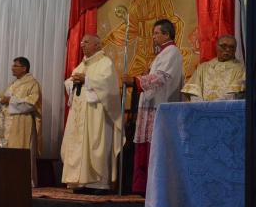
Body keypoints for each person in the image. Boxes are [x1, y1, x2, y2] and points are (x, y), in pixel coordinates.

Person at [123, 19, 183, 195]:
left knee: (155, 148)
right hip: (150, 106)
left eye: (156, 33)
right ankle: (142, 187)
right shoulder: (162, 54)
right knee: (144, 147)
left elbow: (163, 77)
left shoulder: (172, 52)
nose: (153, 36)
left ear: (167, 34)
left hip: (159, 107)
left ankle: (154, 190)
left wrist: (136, 81)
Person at [60, 34, 123, 193]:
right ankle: (81, 182)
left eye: (86, 42)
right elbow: (71, 83)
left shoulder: (105, 63)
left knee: (96, 145)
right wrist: (72, 82)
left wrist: (87, 80)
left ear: (97, 45)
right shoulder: (81, 65)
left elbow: (108, 87)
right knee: (79, 147)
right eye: (82, 42)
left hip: (97, 115)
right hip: (80, 115)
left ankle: (99, 184)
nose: (82, 44)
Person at [0, 57, 42, 184]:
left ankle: (20, 181)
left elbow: (32, 103)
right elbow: (2, 98)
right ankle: (4, 178)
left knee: (18, 150)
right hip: (5, 124)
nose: (12, 68)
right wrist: (1, 100)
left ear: (24, 68)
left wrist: (10, 101)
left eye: (15, 66)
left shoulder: (32, 83)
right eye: (13, 65)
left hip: (21, 124)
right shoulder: (13, 84)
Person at [182, 35, 245, 101]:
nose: (228, 49)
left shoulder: (241, 69)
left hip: (226, 106)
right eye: (223, 46)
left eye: (231, 47)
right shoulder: (203, 67)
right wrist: (201, 104)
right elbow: (193, 92)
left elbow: (235, 94)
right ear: (216, 46)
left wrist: (215, 105)